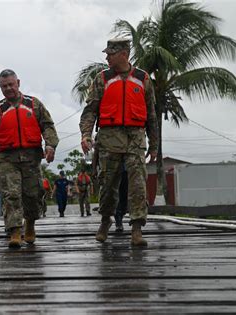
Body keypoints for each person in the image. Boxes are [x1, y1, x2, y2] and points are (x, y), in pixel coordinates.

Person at [79, 38, 158, 247]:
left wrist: (155, 144)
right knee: (108, 184)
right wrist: (86, 135)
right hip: (109, 138)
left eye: (110, 54)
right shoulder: (102, 79)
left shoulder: (143, 79)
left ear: (123, 54)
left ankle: (137, 229)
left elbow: (151, 114)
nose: (106, 57)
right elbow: (90, 111)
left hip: (135, 138)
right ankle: (105, 221)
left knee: (138, 184)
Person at [0, 69, 59, 248]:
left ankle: (30, 224)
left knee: (32, 194)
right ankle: (15, 231)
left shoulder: (34, 105)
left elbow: (48, 126)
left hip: (31, 158)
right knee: (12, 194)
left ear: (18, 83)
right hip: (6, 158)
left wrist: (50, 145)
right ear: (0, 87)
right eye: (4, 86)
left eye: (11, 84)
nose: (8, 88)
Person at [114, 165, 128, 232]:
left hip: (128, 171)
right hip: (115, 170)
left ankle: (121, 216)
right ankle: (118, 221)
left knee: (124, 197)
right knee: (116, 196)